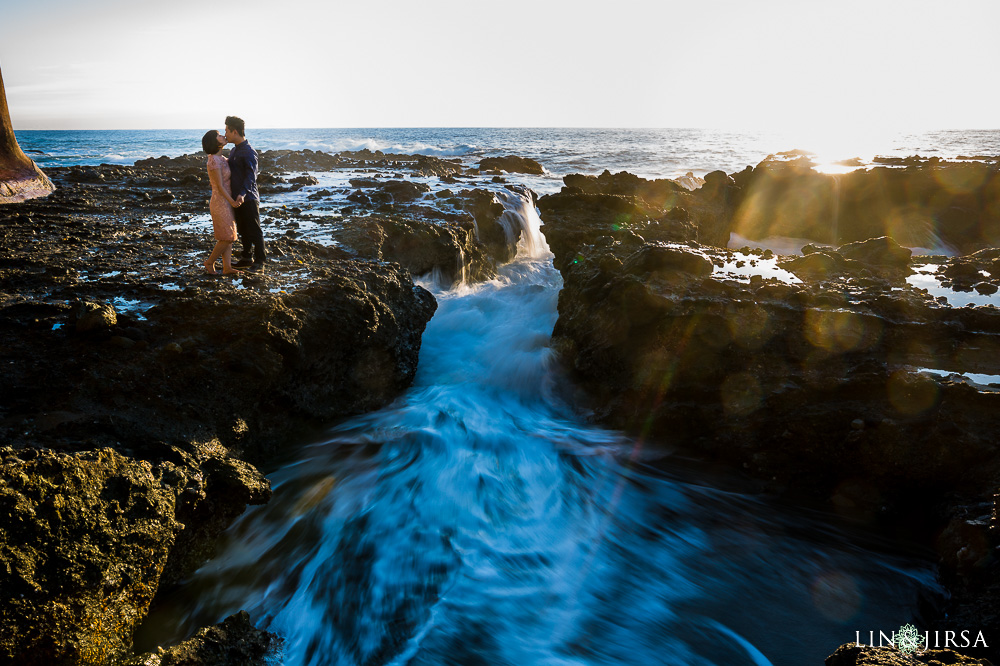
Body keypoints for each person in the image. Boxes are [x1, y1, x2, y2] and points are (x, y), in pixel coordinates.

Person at [224, 115, 266, 270]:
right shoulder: (234, 150)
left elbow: (251, 176)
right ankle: (246, 257)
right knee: (242, 228)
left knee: (254, 229)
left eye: (227, 131)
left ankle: (260, 261)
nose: (226, 134)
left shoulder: (248, 152)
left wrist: (242, 193)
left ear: (235, 131)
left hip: (248, 197)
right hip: (236, 197)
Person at [201, 129, 242, 275]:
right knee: (227, 237)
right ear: (214, 142)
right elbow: (219, 185)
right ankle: (209, 262)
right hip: (220, 202)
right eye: (219, 135)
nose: (223, 136)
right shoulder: (213, 160)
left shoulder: (223, 159)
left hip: (226, 201)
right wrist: (232, 201)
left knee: (228, 237)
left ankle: (227, 267)